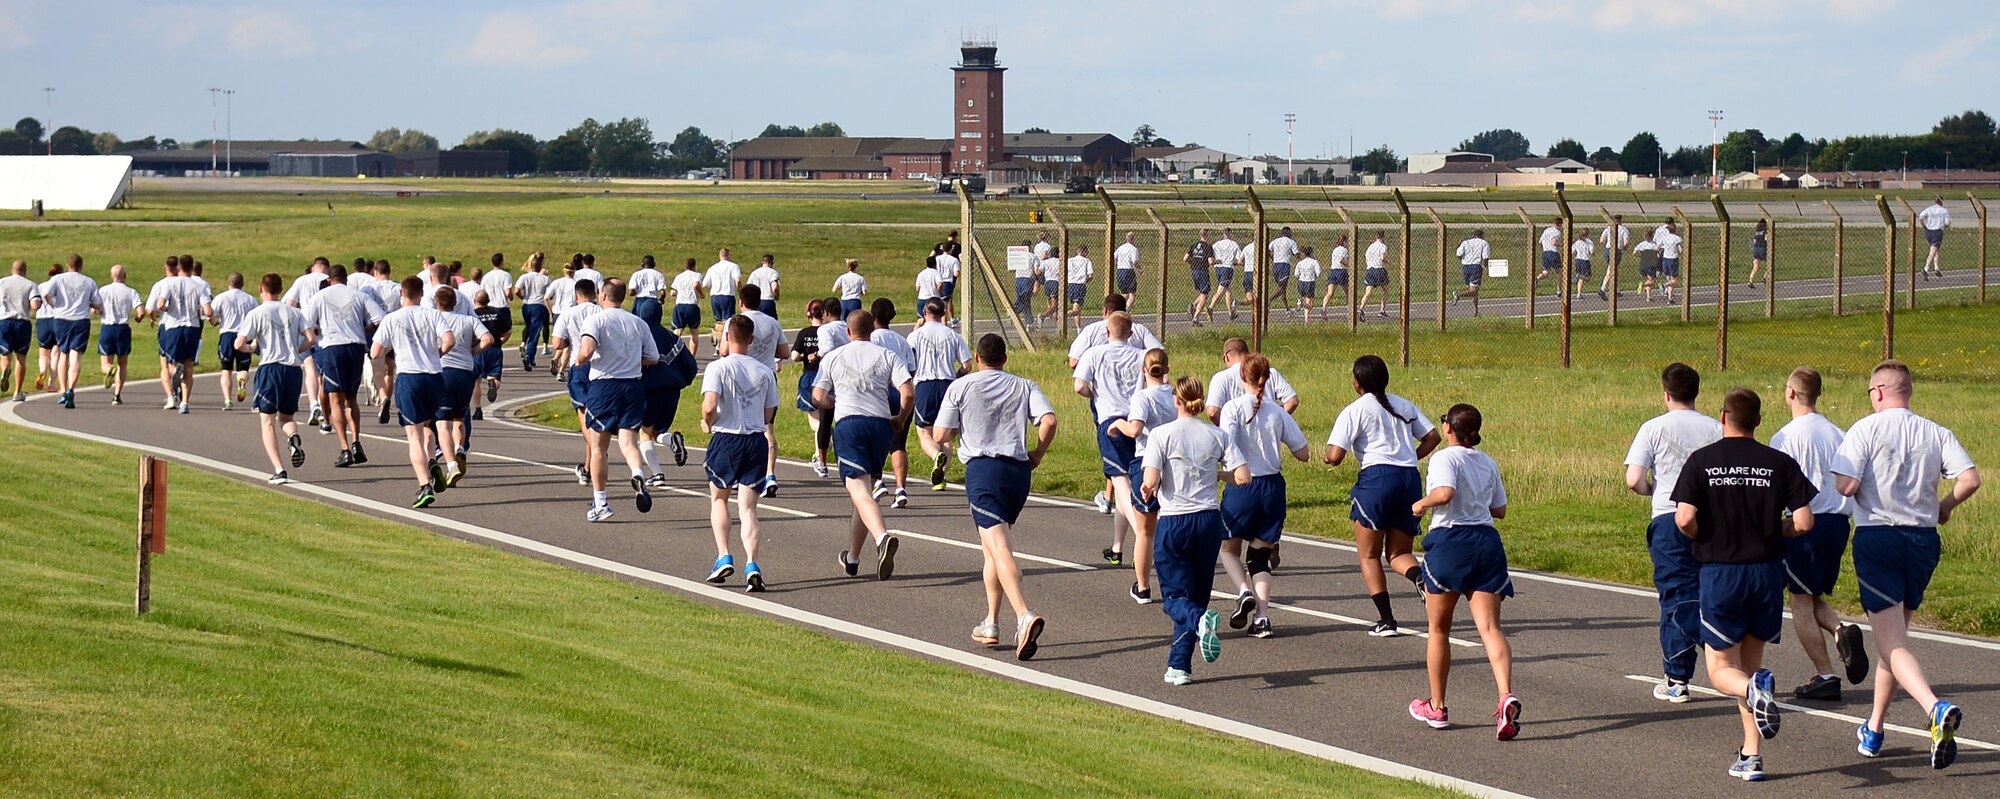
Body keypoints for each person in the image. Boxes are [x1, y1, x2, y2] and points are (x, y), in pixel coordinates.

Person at [1834, 359, 1979, 769]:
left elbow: (1844, 483)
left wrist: (1853, 484)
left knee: (1892, 642)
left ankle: (1934, 708)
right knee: (1893, 640)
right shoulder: (1935, 432)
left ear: (1878, 392)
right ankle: (1875, 728)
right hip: (1922, 538)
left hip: (1879, 536)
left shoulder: (1865, 428)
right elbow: (1970, 479)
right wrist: (1944, 507)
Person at [1671, 388, 1816, 781]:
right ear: (1758, 421)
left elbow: (1683, 519)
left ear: (1723, 417)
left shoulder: (1703, 461)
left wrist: (1704, 534)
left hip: (1721, 572)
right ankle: (1751, 755)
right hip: (1767, 572)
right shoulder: (1779, 462)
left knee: (1722, 670)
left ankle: (1754, 696)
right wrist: (1777, 530)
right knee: (1751, 666)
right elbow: (1804, 522)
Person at [934, 333, 1057, 660]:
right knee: (992, 548)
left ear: (976, 358)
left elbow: (940, 434)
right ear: (1005, 358)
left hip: (984, 470)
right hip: (1018, 472)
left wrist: (962, 428)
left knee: (999, 546)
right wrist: (1039, 453)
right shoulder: (1024, 385)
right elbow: (1049, 420)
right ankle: (991, 622)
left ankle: (1023, 614)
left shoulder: (960, 386)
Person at [1407, 403, 1521, 741]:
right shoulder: (1487, 462)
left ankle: (1438, 706)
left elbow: (1444, 494)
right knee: (1489, 627)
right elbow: (1498, 509)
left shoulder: (1444, 458)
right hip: (1486, 542)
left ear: (1449, 429)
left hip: (1451, 542)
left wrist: (1420, 505)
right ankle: (1504, 696)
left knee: (1439, 628)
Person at [1140, 376, 1249, 685]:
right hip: (1208, 520)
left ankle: (1201, 621)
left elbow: (1150, 479)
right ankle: (1180, 666)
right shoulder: (1217, 435)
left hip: (1175, 520)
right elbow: (1244, 477)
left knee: (1175, 596)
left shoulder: (1161, 435)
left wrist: (1149, 489)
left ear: (1177, 400)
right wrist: (1216, 473)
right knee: (1196, 594)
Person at [1624, 362, 1723, 702]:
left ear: (1666, 394)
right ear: (1697, 392)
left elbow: (1633, 478)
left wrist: (1654, 490)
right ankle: (1721, 650)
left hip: (1669, 513)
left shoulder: (1653, 428)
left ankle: (1678, 675)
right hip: (1710, 518)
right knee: (1708, 589)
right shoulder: (1715, 428)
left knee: (1675, 594)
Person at [1325, 354, 1439, 637]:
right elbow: (1433, 436)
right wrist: (1410, 456)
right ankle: (1420, 579)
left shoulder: (1355, 410)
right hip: (1409, 478)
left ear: (1356, 382)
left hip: (1376, 479)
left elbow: (1335, 456)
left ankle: (1387, 620)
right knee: (1399, 552)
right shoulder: (1403, 404)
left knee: (1369, 555)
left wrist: (1327, 458)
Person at [1768, 367, 1864, 701]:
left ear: (1790, 393)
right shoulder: (1840, 433)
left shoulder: (1785, 437)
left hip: (1804, 524)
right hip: (1838, 523)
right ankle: (1841, 631)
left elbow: (1779, 486)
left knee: (1799, 602)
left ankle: (1825, 674)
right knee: (1809, 593)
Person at [813, 309, 912, 581]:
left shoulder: (834, 356)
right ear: (872, 330)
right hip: (881, 425)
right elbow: (908, 391)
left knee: (857, 488)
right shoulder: (887, 354)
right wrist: (901, 418)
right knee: (863, 493)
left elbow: (818, 395)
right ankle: (853, 558)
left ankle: (882, 538)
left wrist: (833, 403)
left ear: (848, 331)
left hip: (850, 425)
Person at [1217, 354, 1309, 639]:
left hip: (1243, 485)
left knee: (1228, 549)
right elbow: (1303, 453)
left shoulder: (1232, 408)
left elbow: (1226, 446)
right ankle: (1262, 617)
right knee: (1259, 556)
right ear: (1267, 379)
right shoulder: (1277, 412)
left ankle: (1243, 591)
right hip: (1273, 489)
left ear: (1242, 378)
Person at [701, 315, 781, 593]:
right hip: (756, 440)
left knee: (719, 498)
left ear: (726, 337)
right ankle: (752, 564)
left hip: (727, 438)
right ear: (751, 339)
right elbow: (769, 413)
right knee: (748, 508)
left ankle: (723, 554)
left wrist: (706, 422)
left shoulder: (718, 368)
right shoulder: (765, 371)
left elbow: (710, 404)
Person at [575, 280, 661, 523]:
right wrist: (631, 360)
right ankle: (637, 473)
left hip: (604, 385)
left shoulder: (596, 320)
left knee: (599, 446)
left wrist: (580, 359)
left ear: (602, 295)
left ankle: (601, 501)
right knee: (628, 441)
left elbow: (588, 349)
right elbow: (653, 357)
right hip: (633, 385)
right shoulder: (638, 322)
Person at [1074, 313, 1148, 577]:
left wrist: (1096, 394)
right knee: (1128, 484)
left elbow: (1079, 385)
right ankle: (1117, 547)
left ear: (1107, 332)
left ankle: (1143, 533)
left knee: (1120, 481)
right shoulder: (1141, 356)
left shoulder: (1094, 354)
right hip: (1137, 421)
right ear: (1130, 334)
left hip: (1111, 423)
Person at [302, 265, 384, 468]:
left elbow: (306, 323)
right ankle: (357, 441)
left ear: (329, 279)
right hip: (355, 347)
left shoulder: (320, 296)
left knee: (335, 399)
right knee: (351, 397)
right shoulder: (358, 295)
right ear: (346, 279)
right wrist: (364, 330)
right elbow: (380, 318)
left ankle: (345, 448)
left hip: (332, 348)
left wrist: (320, 330)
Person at [235, 273, 313, 485]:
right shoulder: (295, 312)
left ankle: (279, 469)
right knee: (286, 417)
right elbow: (312, 338)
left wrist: (251, 348)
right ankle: (292, 437)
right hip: (293, 369)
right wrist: (297, 350)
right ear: (281, 289)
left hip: (270, 368)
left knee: (267, 421)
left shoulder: (257, 313)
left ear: (261, 289)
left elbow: (238, 343)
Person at [1112, 347, 1173, 602]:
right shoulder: (1175, 395)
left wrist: (1118, 424)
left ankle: (1143, 586)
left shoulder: (1143, 397)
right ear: (1167, 370)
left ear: (1144, 370)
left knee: (1145, 531)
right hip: (1173, 462)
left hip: (1147, 461)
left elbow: (1136, 429)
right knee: (1172, 523)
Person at [908, 298, 971, 491]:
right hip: (948, 384)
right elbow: (967, 365)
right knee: (946, 435)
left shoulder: (915, 336)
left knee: (924, 432)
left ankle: (935, 456)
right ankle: (940, 477)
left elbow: (908, 362)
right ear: (944, 313)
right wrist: (955, 376)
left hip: (925, 385)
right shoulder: (953, 335)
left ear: (925, 313)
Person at [434, 287, 493, 487]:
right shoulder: (468, 320)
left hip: (443, 370)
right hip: (465, 372)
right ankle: (460, 447)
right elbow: (488, 339)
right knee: (460, 415)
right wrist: (474, 351)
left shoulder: (434, 319)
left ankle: (451, 465)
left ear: (437, 303)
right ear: (456, 303)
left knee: (442, 421)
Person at [738, 283, 790, 497]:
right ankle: (769, 474)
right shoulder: (772, 323)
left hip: (742, 376)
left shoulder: (737, 323)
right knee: (767, 429)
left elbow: (724, 350)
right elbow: (785, 352)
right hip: (766, 377)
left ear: (741, 302)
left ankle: (742, 473)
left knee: (740, 427)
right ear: (759, 301)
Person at [551, 279, 605, 483]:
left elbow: (556, 343)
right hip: (600, 366)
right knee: (595, 415)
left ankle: (597, 452)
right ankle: (588, 466)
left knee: (584, 417)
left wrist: (569, 342)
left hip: (579, 364)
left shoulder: (568, 313)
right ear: (595, 293)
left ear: (576, 295)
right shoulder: (601, 312)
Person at [640, 300, 698, 486]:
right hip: (672, 391)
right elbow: (690, 366)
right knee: (658, 430)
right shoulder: (673, 338)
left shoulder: (640, 335)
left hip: (648, 391)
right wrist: (684, 381)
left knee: (644, 432)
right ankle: (671, 439)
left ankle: (657, 474)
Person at [869, 298, 918, 508]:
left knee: (875, 440)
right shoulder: (902, 340)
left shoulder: (871, 338)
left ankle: (877, 479)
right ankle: (901, 488)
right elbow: (911, 369)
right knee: (898, 443)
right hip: (901, 391)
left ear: (873, 317)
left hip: (880, 392)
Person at [36, 255, 99, 409]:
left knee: (63, 354)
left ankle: (63, 390)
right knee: (76, 356)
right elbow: (97, 303)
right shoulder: (88, 281)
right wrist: (86, 303)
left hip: (61, 318)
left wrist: (54, 305)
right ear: (81, 266)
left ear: (68, 265)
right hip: (81, 319)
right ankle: (71, 388)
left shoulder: (58, 279)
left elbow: (45, 294)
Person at [150, 256, 207, 413]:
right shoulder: (198, 286)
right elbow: (208, 310)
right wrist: (198, 310)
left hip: (174, 326)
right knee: (189, 365)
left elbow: (160, 304)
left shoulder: (169, 283)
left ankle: (176, 372)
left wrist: (168, 309)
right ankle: (185, 403)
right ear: (192, 267)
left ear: (179, 267)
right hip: (192, 327)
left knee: (171, 363)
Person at [282, 258, 332, 429]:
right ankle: (322, 404)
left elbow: (290, 304)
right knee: (322, 374)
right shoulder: (329, 280)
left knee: (309, 367)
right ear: (327, 268)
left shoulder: (302, 281)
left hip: (305, 330)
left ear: (312, 268)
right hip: (323, 332)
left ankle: (314, 404)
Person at [1207, 338, 1299, 422]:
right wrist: (1276, 418)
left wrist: (1227, 427)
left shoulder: (1220, 378)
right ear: (1248, 354)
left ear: (1226, 357)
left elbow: (1213, 412)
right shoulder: (1270, 373)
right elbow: (1293, 401)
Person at [792, 299, 833, 478]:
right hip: (828, 376)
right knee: (825, 413)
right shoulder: (829, 331)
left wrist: (804, 357)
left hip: (810, 376)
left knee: (815, 421)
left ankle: (820, 450)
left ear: (809, 314)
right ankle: (824, 441)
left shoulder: (804, 333)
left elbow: (794, 356)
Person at [1067, 294, 1161, 369]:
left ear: (1105, 311)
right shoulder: (1139, 329)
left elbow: (1074, 362)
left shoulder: (1091, 330)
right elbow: (1160, 354)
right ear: (1125, 310)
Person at [208, 272, 258, 411]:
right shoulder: (250, 299)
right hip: (244, 335)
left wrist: (215, 322)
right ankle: (241, 382)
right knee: (243, 368)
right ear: (242, 284)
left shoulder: (221, 298)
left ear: (229, 283)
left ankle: (227, 400)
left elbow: (210, 315)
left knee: (226, 370)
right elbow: (256, 318)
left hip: (227, 335)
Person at [471, 289, 512, 421]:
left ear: (475, 301)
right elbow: (508, 331)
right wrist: (501, 342)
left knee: (476, 382)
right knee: (496, 377)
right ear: (488, 301)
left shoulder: (472, 315)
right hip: (494, 348)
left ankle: (478, 409)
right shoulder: (496, 313)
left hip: (479, 349)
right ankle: (492, 383)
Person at [0, 261, 37, 402]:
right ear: (25, 271)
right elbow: (35, 304)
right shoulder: (30, 284)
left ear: (12, 269)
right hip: (22, 322)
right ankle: (18, 391)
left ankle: (5, 369)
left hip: (4, 321)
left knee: (5, 354)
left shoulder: (2, 283)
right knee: (21, 358)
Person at [516, 253, 552, 371]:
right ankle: (529, 355)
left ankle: (529, 355)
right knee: (535, 333)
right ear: (540, 266)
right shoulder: (545, 279)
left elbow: (516, 290)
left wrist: (523, 297)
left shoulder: (524, 277)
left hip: (527, 305)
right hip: (539, 306)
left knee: (530, 328)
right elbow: (550, 294)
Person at [668, 257, 705, 358]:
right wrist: (701, 294)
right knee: (694, 333)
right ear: (694, 266)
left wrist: (681, 292)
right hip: (692, 305)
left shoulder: (679, 277)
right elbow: (696, 284)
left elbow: (672, 292)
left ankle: (673, 355)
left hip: (680, 305)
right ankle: (692, 356)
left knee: (677, 332)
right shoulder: (697, 275)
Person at [705, 252, 744, 341]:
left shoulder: (712, 268)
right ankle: (725, 341)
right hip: (727, 295)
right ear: (728, 255)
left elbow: (705, 284)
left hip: (715, 296)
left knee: (718, 321)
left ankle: (717, 342)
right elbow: (738, 280)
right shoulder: (733, 266)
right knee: (728, 321)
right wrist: (739, 289)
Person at [1267, 226, 1300, 317]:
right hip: (1284, 266)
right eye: (1291, 233)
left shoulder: (1275, 241)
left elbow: (1268, 250)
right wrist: (1298, 253)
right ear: (1288, 233)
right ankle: (1268, 300)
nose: (1292, 234)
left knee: (1283, 290)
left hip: (1275, 265)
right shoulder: (1291, 242)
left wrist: (1272, 257)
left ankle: (1287, 309)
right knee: (1282, 289)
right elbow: (1297, 255)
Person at [1185, 228, 1215, 325]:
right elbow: (1210, 261)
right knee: (1205, 296)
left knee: (1203, 293)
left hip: (1194, 271)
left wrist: (1193, 263)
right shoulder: (1208, 247)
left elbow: (1185, 258)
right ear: (1207, 235)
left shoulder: (1193, 245)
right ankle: (1196, 317)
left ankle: (1193, 305)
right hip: (1203, 271)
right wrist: (1217, 261)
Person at [627, 255, 666, 328]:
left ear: (642, 264)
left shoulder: (636, 274)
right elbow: (662, 292)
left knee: (639, 324)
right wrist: (662, 299)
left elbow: (631, 292)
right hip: (653, 301)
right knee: (654, 324)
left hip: (640, 301)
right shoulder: (659, 274)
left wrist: (638, 290)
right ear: (654, 264)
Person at [1319, 234, 1352, 322]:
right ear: (1344, 242)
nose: (1348, 243)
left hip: (1333, 271)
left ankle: (1324, 308)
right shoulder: (1344, 250)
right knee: (1348, 293)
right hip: (1341, 271)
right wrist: (1349, 265)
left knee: (1330, 293)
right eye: (1347, 241)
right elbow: (1341, 260)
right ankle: (1350, 311)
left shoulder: (1335, 249)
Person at [1210, 228, 1240, 320]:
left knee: (1228, 292)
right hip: (1227, 269)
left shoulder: (1216, 244)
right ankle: (1210, 308)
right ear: (1230, 234)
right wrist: (1235, 262)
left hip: (1218, 268)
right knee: (1221, 291)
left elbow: (1211, 254)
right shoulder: (1234, 244)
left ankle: (1231, 313)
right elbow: (1239, 259)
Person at [1453, 230, 1491, 303]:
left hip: (1466, 267)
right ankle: (1458, 294)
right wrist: (1485, 266)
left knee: (1474, 289)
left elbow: (1458, 254)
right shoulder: (1484, 243)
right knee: (1473, 290)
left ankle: (1476, 311)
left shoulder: (1466, 242)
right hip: (1475, 267)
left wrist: (1464, 259)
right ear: (1482, 236)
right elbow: (1486, 257)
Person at [1360, 231, 1391, 320]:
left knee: (1368, 292)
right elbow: (1382, 258)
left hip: (1370, 270)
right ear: (1383, 237)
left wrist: (1369, 265)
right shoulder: (1383, 246)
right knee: (1385, 290)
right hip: (1379, 269)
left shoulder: (1371, 246)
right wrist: (1388, 262)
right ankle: (1382, 310)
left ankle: (1361, 308)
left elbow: (1366, 257)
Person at [1917, 198, 1950, 279]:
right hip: (1937, 232)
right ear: (1941, 202)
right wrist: (1944, 226)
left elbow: (1920, 217)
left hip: (1928, 232)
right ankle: (1926, 268)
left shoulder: (1929, 209)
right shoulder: (1943, 211)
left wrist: (1924, 226)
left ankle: (1936, 268)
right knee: (1933, 251)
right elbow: (1948, 222)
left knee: (1936, 249)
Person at [1599, 214, 1630, 300]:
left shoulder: (1608, 228)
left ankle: (1617, 290)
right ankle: (1603, 288)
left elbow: (1601, 240)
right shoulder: (1624, 229)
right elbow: (1626, 242)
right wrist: (1625, 247)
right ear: (1621, 220)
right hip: (1617, 250)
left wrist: (1607, 243)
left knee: (1615, 270)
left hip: (1608, 249)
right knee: (1611, 270)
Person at [1654, 220, 1684, 302]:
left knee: (1669, 279)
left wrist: (1658, 253)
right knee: (1674, 280)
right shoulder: (1677, 238)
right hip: (1673, 259)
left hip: (1665, 259)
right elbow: (1680, 250)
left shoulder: (1664, 238)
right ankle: (1664, 286)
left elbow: (1657, 248)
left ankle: (1670, 298)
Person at [1113, 231, 1142, 310]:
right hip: (1128, 271)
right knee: (1132, 295)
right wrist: (1140, 270)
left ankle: (1117, 308)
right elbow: (1134, 261)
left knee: (1124, 294)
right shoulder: (1133, 249)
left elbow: (1114, 257)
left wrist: (1117, 265)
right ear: (1133, 239)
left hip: (1120, 271)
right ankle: (1125, 312)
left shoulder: (1121, 248)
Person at [747, 254, 781, 318]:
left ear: (762, 262)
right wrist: (777, 295)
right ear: (772, 262)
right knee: (771, 323)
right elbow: (775, 287)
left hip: (756, 301)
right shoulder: (773, 272)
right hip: (768, 300)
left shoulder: (755, 273)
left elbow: (748, 287)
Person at [932, 243, 959, 323]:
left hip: (937, 281)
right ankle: (944, 325)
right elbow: (956, 273)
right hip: (947, 282)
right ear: (951, 249)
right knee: (944, 306)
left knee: (936, 302)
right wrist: (954, 281)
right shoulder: (953, 260)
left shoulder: (937, 259)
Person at [1292, 246, 1321, 321]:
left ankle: (1305, 316)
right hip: (1310, 283)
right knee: (1310, 304)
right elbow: (1318, 273)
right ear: (1311, 253)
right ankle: (1306, 320)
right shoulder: (1314, 262)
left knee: (1308, 302)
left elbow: (1296, 274)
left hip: (1301, 283)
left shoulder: (1300, 263)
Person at [1632, 236, 1662, 303]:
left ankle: (1648, 297)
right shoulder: (1654, 244)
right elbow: (1658, 254)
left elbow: (1634, 253)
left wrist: (1641, 256)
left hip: (1643, 264)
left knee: (1650, 280)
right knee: (1652, 280)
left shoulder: (1641, 244)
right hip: (1651, 264)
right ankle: (1643, 285)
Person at [1570, 231, 1596, 301]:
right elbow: (1591, 251)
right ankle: (1578, 276)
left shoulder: (1577, 242)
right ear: (1588, 234)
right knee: (1588, 278)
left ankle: (1579, 294)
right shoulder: (1589, 242)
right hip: (1585, 260)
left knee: (1581, 278)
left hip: (1578, 260)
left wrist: (1577, 254)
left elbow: (1572, 252)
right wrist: (1593, 254)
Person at [1746, 220, 1769, 288]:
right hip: (1763, 248)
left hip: (1756, 249)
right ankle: (1765, 277)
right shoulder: (1765, 231)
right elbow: (1767, 239)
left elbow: (1754, 241)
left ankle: (1750, 281)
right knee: (1770, 264)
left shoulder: (1756, 232)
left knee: (1756, 266)